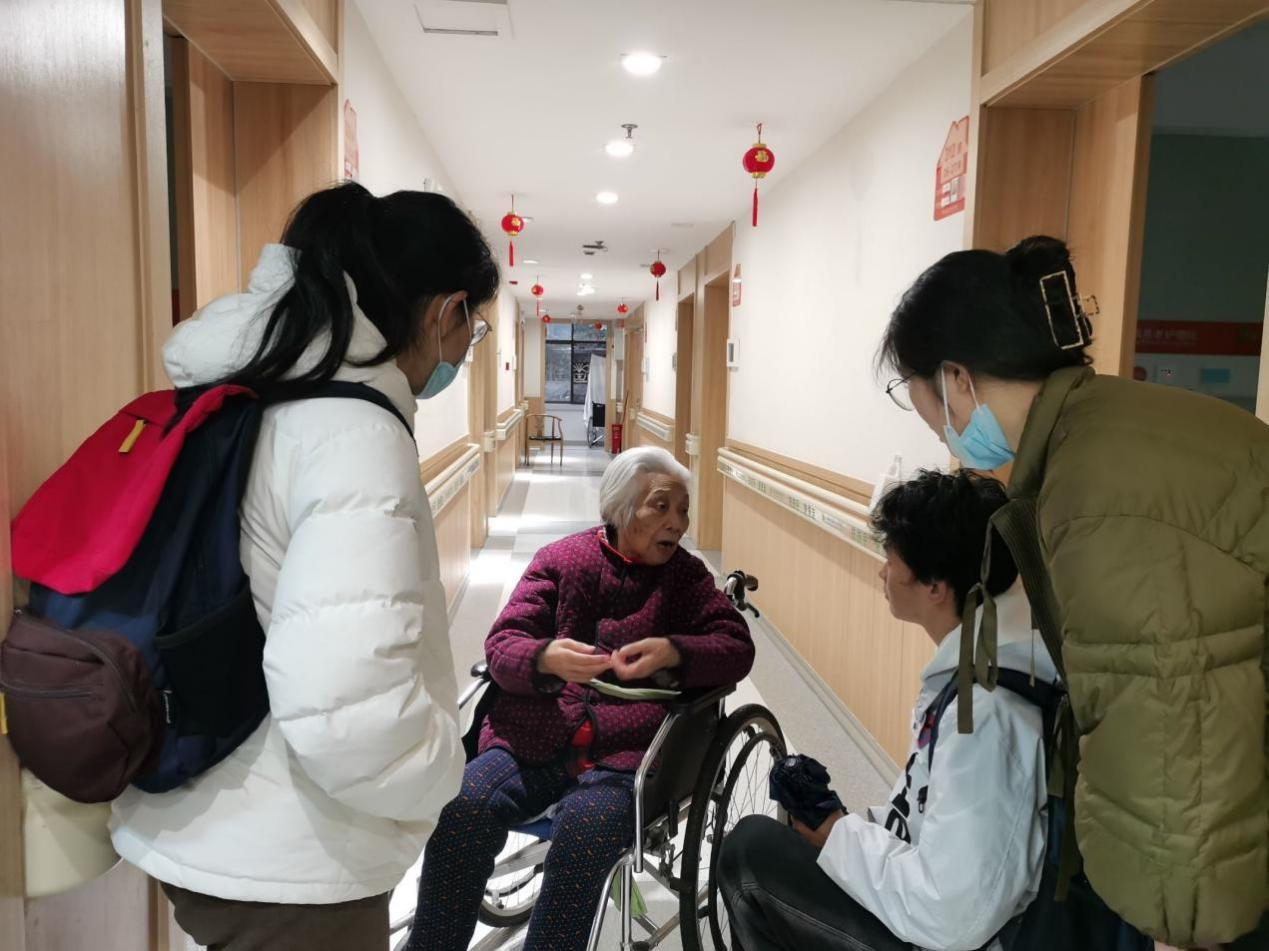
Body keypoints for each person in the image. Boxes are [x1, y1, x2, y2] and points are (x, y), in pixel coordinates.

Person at [109, 181, 497, 949]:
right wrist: (441, 769)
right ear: (444, 312)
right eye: (472, 330)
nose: (462, 352)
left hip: (200, 807)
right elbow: (344, 699)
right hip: (292, 863)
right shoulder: (354, 436)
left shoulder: (254, 392)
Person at [876, 235, 1269, 948]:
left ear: (956, 378)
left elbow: (1172, 744)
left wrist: (1180, 923)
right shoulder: (1104, 434)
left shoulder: (1095, 497)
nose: (935, 428)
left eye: (919, 400)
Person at [408, 446, 756, 951]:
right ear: (620, 507)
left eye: (683, 509)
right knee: (464, 804)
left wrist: (675, 651)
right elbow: (503, 644)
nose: (678, 523)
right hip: (534, 740)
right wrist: (545, 658)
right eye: (661, 506)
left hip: (626, 757)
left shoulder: (685, 578)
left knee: (585, 830)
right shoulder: (562, 560)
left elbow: (736, 646)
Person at [720, 470, 1053, 950]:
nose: (882, 572)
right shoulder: (981, 669)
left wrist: (838, 834)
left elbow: (950, 914)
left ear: (935, 585)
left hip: (943, 938)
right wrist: (844, 823)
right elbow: (923, 818)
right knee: (784, 838)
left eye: (890, 559)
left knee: (748, 851)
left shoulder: (985, 716)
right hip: (930, 907)